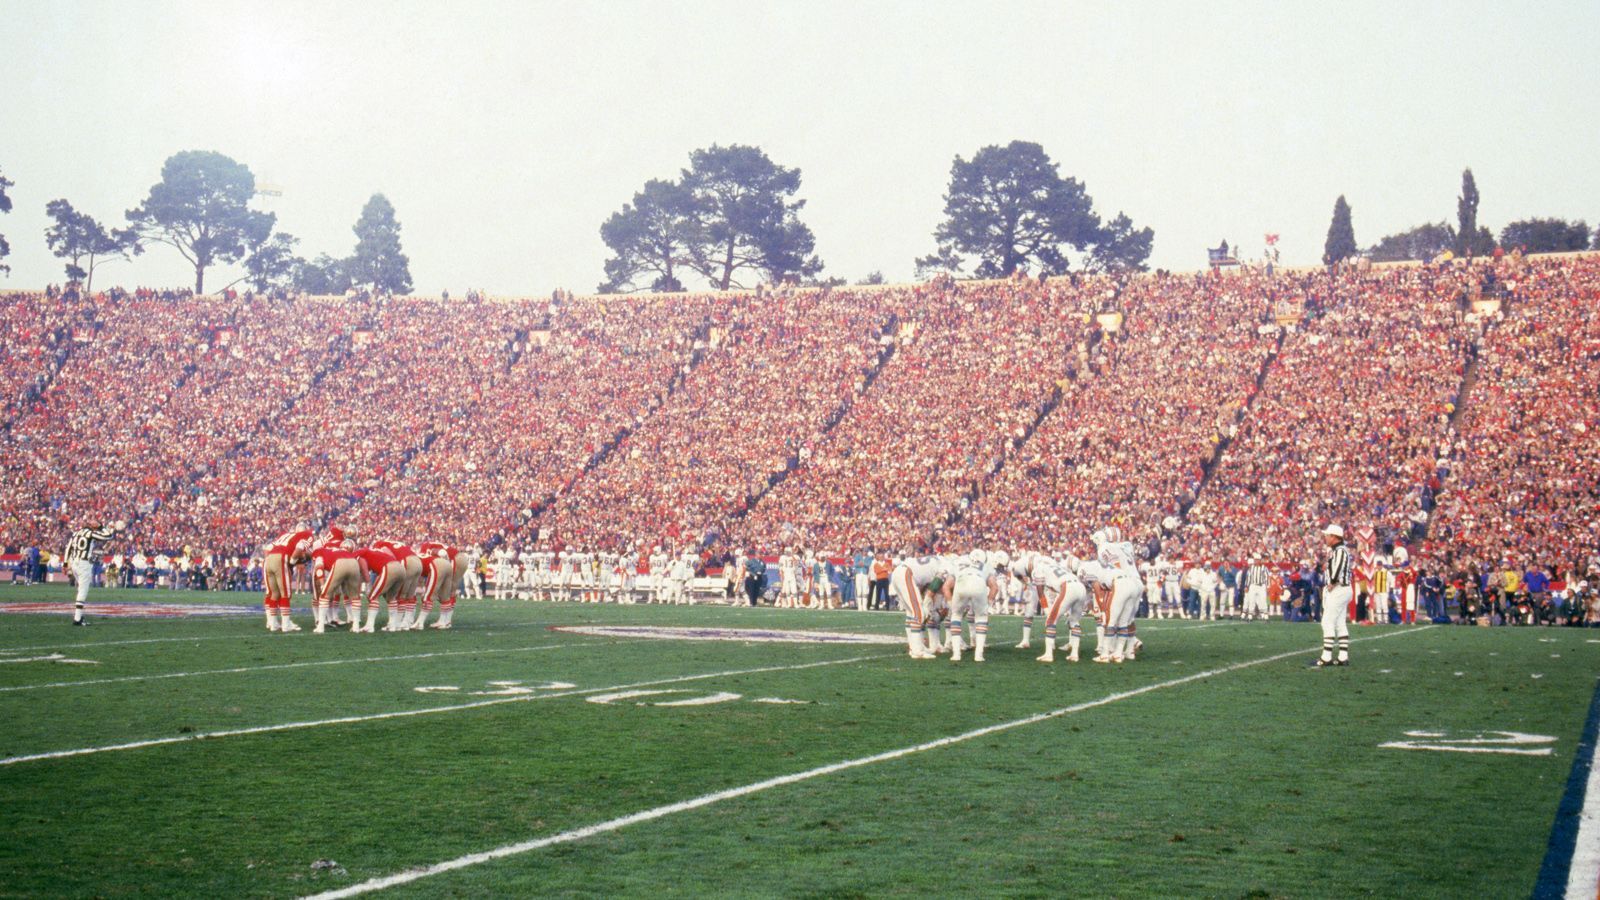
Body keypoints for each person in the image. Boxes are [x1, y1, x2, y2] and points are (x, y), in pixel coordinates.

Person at [64, 520, 125, 625]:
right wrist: (101, 527)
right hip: (84, 564)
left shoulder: (76, 533)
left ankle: (79, 616)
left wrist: (65, 563)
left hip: (74, 563)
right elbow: (109, 536)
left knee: (80, 589)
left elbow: (68, 548)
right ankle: (77, 618)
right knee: (83, 590)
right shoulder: (90, 533)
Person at [1315, 524, 1353, 667]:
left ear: (1334, 537)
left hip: (1339, 589)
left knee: (1327, 622)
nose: (1325, 538)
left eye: (1327, 535)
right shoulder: (1339, 550)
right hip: (1343, 588)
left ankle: (1326, 656)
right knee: (1339, 622)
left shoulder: (1340, 551)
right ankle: (1343, 656)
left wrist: (1331, 582)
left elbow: (1338, 568)